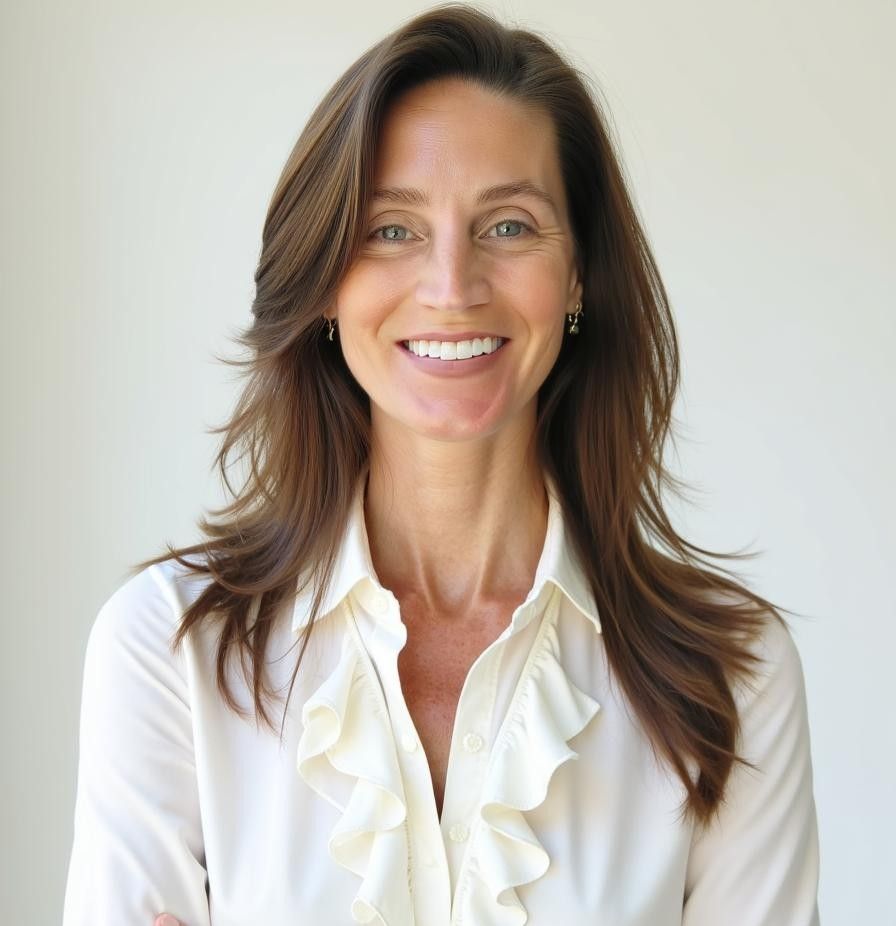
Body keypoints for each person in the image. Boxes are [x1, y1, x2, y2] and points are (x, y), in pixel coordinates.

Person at [62, 4, 820, 925]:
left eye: (508, 226)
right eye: (392, 230)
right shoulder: (168, 657)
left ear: (578, 275)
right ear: (325, 285)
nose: (453, 287)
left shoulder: (731, 678)